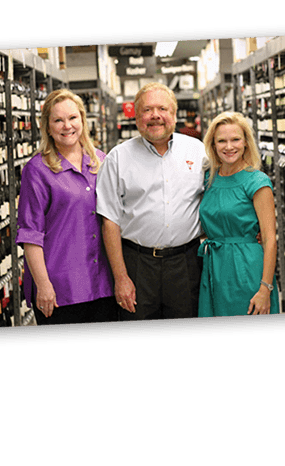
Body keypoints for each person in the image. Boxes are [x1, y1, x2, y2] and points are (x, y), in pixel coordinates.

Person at [96, 83, 208, 321]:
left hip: (186, 264)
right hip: (137, 265)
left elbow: (217, 197)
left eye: (162, 109)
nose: (155, 115)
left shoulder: (198, 152)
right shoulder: (117, 158)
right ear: (136, 117)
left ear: (174, 115)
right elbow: (109, 221)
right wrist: (121, 277)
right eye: (147, 110)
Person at [16, 89, 119, 325]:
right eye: (58, 120)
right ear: (47, 126)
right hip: (60, 289)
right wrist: (43, 285)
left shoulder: (101, 161)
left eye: (73, 118)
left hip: (103, 284)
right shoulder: (37, 170)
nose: (67, 126)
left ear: (82, 119)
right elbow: (30, 234)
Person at [198, 112, 279, 316]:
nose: (229, 146)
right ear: (213, 145)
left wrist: (265, 288)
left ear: (246, 143)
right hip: (214, 266)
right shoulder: (209, 179)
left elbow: (270, 239)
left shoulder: (257, 182)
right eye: (221, 141)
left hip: (246, 268)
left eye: (235, 139)